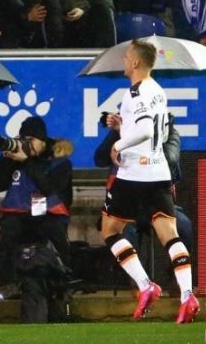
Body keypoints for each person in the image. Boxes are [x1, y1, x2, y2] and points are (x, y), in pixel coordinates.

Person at [99, 39, 199, 323]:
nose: (123, 61)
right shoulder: (157, 90)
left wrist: (118, 144)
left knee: (109, 230)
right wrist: (122, 125)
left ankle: (145, 286)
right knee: (170, 234)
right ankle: (186, 295)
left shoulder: (136, 91)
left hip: (134, 172)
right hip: (158, 172)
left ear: (135, 63)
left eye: (127, 57)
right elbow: (153, 127)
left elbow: (143, 130)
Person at [0, 116, 73, 297]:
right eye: (23, 140)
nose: (26, 145)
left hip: (49, 214)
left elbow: (48, 188)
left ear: (42, 141)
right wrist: (7, 160)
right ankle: (9, 283)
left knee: (54, 229)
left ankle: (63, 278)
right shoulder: (14, 159)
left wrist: (27, 161)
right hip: (19, 213)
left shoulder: (60, 162)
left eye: (30, 141)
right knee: (9, 227)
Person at [94, 112, 194, 256]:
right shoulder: (124, 131)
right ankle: (131, 277)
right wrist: (119, 134)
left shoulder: (169, 132)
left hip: (158, 202)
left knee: (184, 226)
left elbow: (169, 158)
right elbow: (100, 159)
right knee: (124, 233)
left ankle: (176, 272)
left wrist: (145, 140)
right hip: (128, 203)